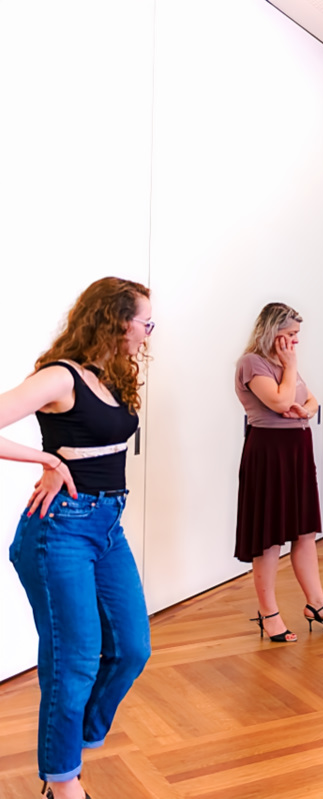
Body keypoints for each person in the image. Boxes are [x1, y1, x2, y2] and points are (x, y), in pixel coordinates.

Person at [4, 277, 153, 799]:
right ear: (117, 320)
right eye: (146, 323)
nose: (149, 333)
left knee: (131, 648)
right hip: (60, 529)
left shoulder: (107, 376)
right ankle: (63, 781)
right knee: (75, 659)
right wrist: (45, 459)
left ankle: (67, 746)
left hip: (107, 524)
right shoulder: (60, 376)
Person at [235, 303, 323, 642]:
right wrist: (292, 371)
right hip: (269, 452)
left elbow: (311, 401)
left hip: (298, 450)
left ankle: (317, 603)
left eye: (297, 334)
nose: (295, 341)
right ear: (272, 331)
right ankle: (268, 613)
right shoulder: (252, 363)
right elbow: (281, 402)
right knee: (269, 537)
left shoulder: (284, 365)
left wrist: (305, 410)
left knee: (305, 532)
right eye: (290, 334)